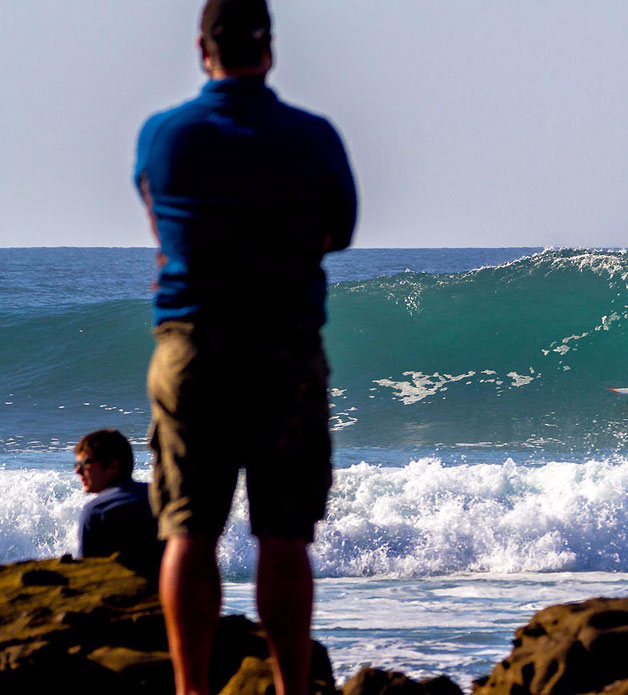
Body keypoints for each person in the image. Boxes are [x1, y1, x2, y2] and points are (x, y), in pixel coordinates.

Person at [133, 1, 356, 694]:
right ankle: (292, 689)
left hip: (190, 346)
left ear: (204, 48)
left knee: (187, 530)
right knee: (283, 533)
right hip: (283, 346)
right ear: (271, 50)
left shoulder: (163, 136)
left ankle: (191, 689)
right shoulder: (312, 137)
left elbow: (160, 222)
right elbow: (338, 231)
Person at [74, 429, 164, 578]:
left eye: (86, 463)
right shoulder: (162, 497)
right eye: (77, 464)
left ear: (113, 467)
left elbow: (87, 575)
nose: (78, 470)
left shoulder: (97, 511)